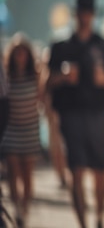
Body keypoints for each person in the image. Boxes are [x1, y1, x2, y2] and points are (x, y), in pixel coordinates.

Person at [47, 0, 104, 228]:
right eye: (81, 13)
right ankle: (83, 224)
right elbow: (47, 83)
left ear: (93, 15)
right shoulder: (61, 47)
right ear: (76, 15)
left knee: (100, 174)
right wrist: (62, 77)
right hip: (71, 116)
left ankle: (99, 217)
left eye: (88, 13)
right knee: (77, 172)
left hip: (99, 115)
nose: (85, 18)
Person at [0, 34, 43, 228]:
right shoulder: (6, 77)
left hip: (29, 131)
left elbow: (43, 99)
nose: (20, 56)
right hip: (11, 131)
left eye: (23, 52)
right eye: (17, 52)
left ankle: (24, 211)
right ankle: (16, 208)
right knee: (12, 173)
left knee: (27, 177)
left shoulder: (35, 76)